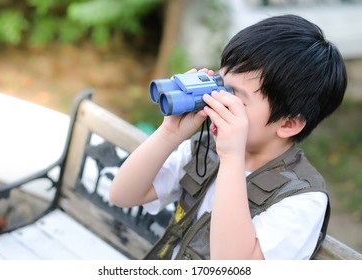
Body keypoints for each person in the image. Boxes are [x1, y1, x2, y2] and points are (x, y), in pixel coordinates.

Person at [110, 14, 347, 260]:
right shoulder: (205, 150)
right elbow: (123, 195)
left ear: (288, 123)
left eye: (237, 98)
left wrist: (232, 158)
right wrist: (169, 133)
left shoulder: (303, 199)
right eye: (221, 85)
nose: (218, 102)